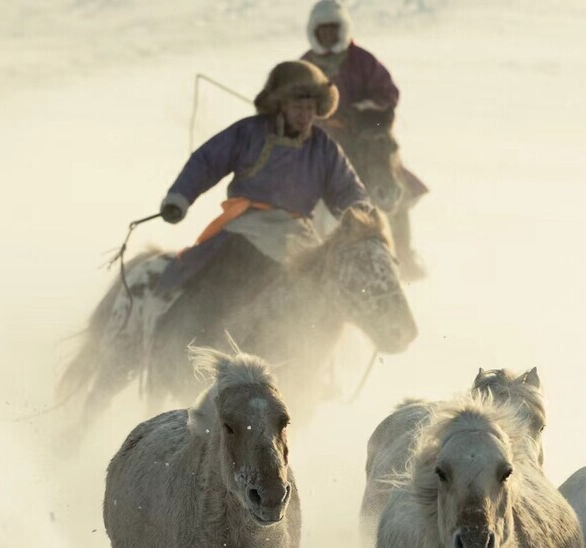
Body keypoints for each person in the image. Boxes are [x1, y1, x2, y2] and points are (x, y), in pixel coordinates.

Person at [151, 60, 371, 392]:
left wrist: (362, 218)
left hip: (299, 241)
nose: (305, 113)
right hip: (246, 232)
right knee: (210, 295)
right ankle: (184, 355)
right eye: (298, 104)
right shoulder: (250, 132)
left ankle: (312, 377)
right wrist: (179, 197)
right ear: (280, 103)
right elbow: (207, 160)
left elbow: (349, 190)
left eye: (311, 106)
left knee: (322, 301)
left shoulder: (323, 148)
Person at [302, 0, 428, 280]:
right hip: (322, 145)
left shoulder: (362, 61)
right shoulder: (306, 65)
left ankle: (404, 255)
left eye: (333, 32)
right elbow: (289, 99)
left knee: (394, 191)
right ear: (313, 32)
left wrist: (360, 114)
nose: (328, 38)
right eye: (323, 32)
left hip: (367, 142)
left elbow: (388, 95)